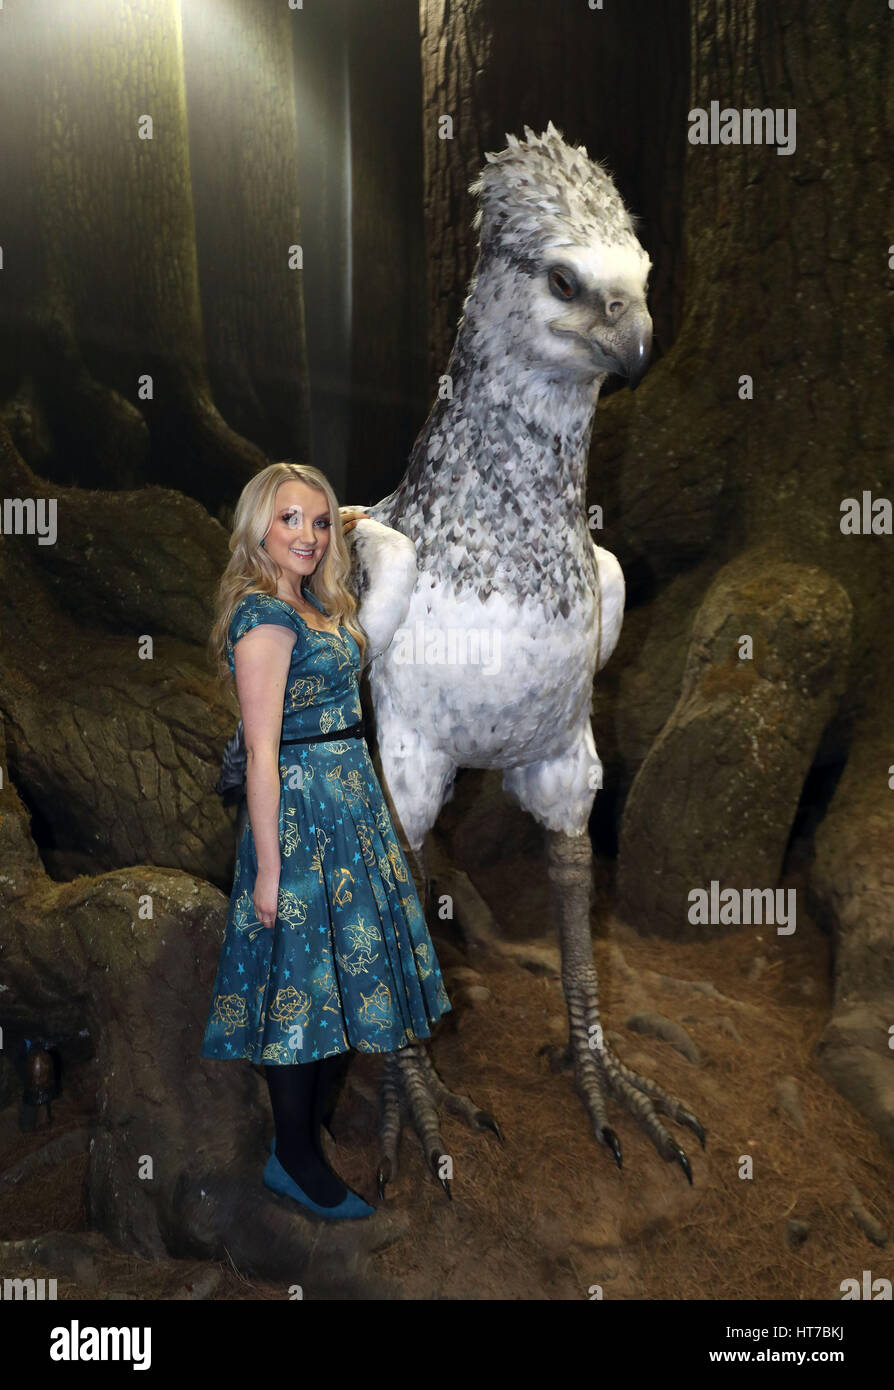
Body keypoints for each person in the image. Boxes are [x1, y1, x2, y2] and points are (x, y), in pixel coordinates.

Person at [200, 461, 452, 1220]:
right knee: (300, 994)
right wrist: (271, 871)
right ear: (256, 530)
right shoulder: (265, 620)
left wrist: (339, 518)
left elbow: (329, 533)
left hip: (349, 809)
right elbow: (263, 755)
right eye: (288, 520)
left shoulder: (310, 600)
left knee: (334, 984)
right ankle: (294, 1159)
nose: (307, 534)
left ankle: (301, 1139)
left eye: (316, 520)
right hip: (302, 821)